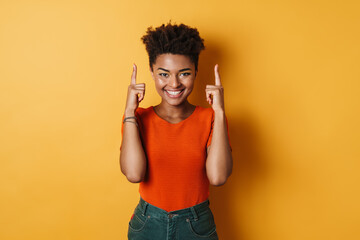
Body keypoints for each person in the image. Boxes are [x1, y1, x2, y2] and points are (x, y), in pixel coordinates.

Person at [120, 22, 233, 240]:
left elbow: (218, 177)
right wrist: (129, 111)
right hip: (148, 224)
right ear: (152, 72)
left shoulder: (210, 118)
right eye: (164, 74)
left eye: (184, 74)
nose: (174, 83)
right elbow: (134, 174)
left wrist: (219, 112)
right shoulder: (137, 118)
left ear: (196, 73)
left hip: (196, 226)